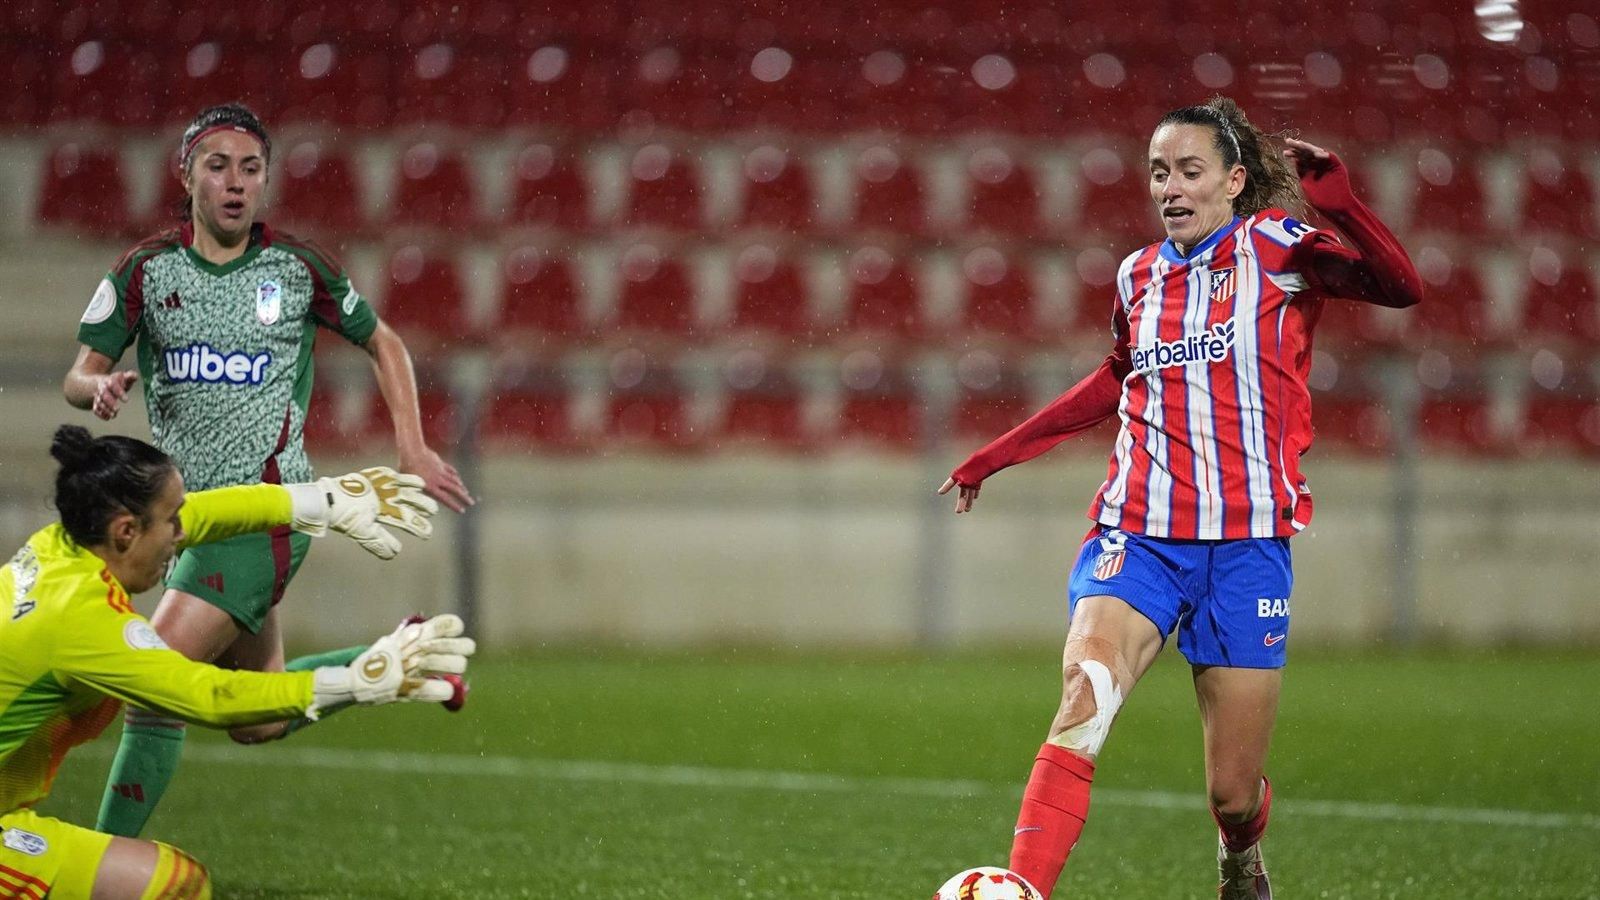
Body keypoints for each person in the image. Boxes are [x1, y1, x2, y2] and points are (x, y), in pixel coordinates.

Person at [938, 96, 1422, 899]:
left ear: (1234, 181)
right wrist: (1000, 453)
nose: (1170, 186)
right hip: (1140, 535)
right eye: (1159, 171)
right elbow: (1116, 377)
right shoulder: (1137, 275)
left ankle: (1239, 854)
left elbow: (1399, 288)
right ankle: (1024, 888)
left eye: (1190, 171)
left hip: (1245, 546)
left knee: (1233, 794)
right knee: (1083, 700)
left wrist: (1343, 206)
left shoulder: (1280, 249)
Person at [61, 102, 476, 839]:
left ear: (264, 181)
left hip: (270, 515)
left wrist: (411, 447)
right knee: (255, 719)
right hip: (186, 520)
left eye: (250, 169)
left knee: (153, 693)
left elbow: (384, 341)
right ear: (185, 174)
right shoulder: (147, 271)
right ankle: (396, 660)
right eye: (217, 166)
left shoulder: (295, 267)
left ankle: (102, 864)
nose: (235, 183)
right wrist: (97, 389)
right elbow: (78, 375)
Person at [0, 425, 474, 898]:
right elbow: (211, 696)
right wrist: (351, 681)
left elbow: (207, 514)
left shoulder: (59, 546)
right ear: (126, 531)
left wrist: (324, 500)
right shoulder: (82, 622)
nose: (182, 535)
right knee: (174, 886)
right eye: (172, 521)